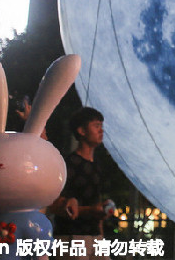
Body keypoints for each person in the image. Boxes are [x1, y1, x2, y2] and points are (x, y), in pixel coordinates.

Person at [48, 107, 111, 260]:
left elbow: (95, 201)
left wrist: (100, 214)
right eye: (96, 126)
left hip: (94, 236)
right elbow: (53, 204)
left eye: (101, 126)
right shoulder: (67, 165)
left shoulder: (97, 166)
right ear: (81, 131)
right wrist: (90, 210)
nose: (101, 130)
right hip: (70, 236)